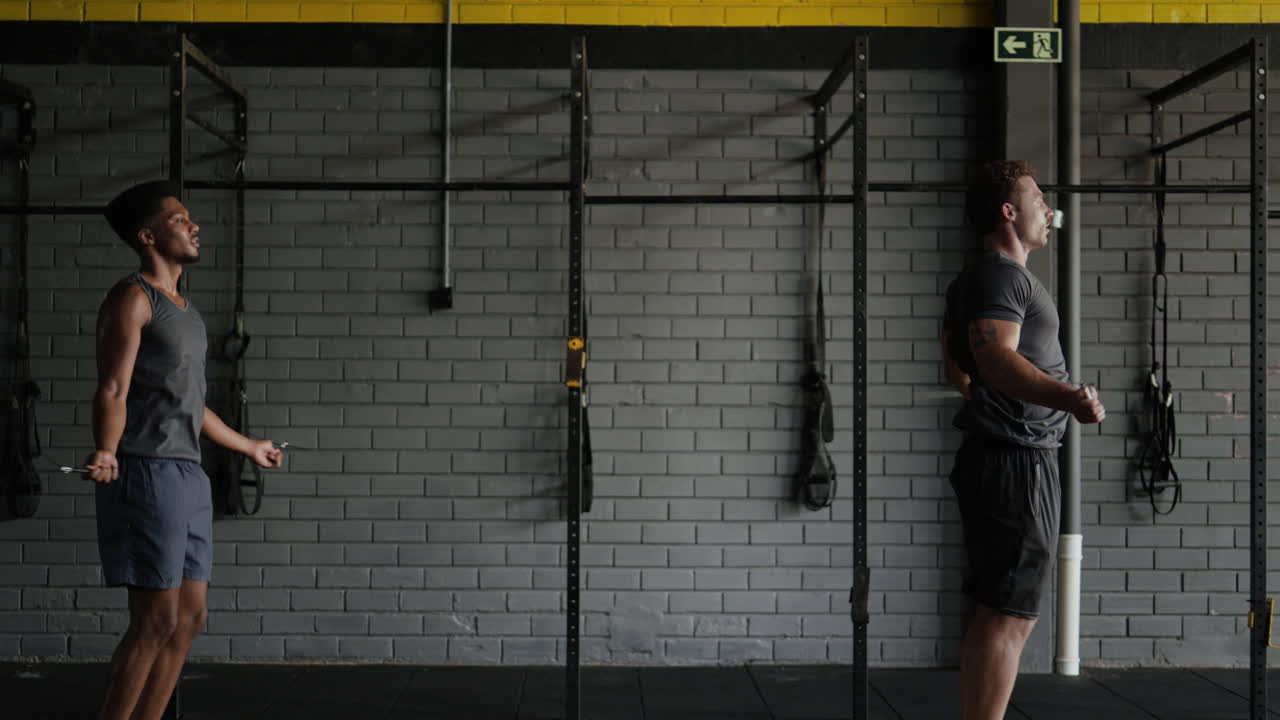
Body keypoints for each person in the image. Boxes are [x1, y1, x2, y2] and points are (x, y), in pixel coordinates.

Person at [85, 180, 283, 720]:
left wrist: (248, 446)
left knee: (189, 619)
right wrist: (106, 449)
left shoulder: (186, 312)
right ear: (148, 236)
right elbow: (112, 388)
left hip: (189, 476)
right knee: (154, 621)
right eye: (178, 219)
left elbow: (193, 407)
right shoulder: (133, 299)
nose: (193, 225)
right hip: (148, 472)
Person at [941, 160, 1105, 720]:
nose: (1048, 208)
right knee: (1010, 614)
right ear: (1008, 211)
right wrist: (1069, 399)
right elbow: (992, 359)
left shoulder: (977, 278)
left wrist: (1000, 403)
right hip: (1015, 462)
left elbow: (958, 371)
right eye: (1037, 197)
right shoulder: (1001, 276)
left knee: (999, 609)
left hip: (1008, 455)